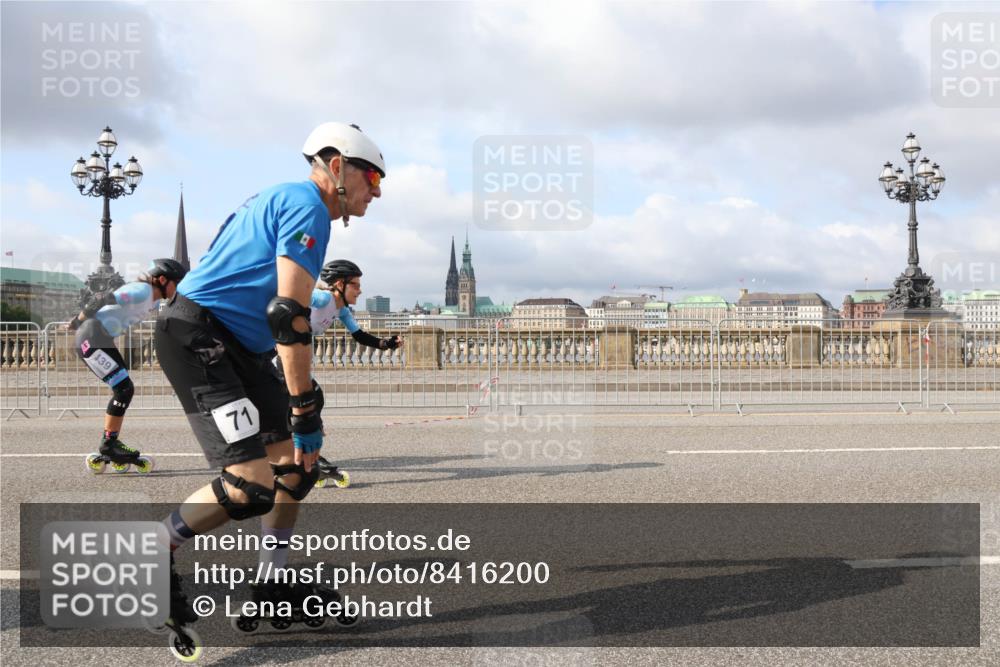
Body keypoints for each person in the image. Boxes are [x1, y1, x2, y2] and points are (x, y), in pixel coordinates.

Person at [152, 122, 384, 644]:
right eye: (372, 175)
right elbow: (289, 315)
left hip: (241, 344)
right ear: (336, 166)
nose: (378, 189)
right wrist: (303, 405)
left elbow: (281, 319)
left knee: (295, 469)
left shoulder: (292, 200)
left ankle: (274, 576)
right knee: (251, 484)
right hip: (200, 335)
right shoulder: (307, 205)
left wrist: (303, 419)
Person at [280, 259, 403, 488]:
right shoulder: (323, 298)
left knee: (310, 401)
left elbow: (359, 336)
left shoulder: (341, 309)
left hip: (292, 359)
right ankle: (301, 454)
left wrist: (387, 344)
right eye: (355, 285)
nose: (360, 289)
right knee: (309, 400)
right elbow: (286, 297)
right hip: (277, 356)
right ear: (339, 284)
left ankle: (301, 453)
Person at [69, 258, 187, 474]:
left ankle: (110, 442)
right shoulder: (142, 291)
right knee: (124, 389)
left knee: (124, 388)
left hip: (101, 338)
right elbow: (102, 298)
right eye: (177, 283)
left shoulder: (151, 299)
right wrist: (77, 321)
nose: (179, 288)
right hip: (91, 337)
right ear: (162, 279)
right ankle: (109, 444)